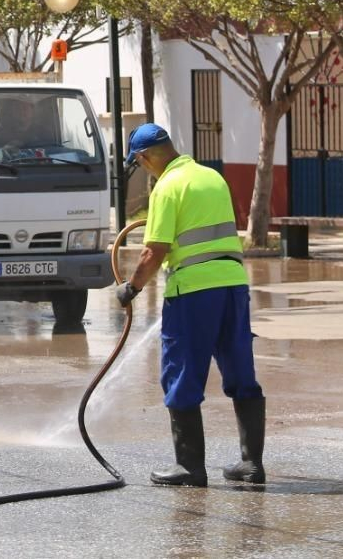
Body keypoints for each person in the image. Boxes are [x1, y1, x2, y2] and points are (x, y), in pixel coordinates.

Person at [115, 123, 266, 488]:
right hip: (233, 286)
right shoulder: (212, 177)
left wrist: (131, 288)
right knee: (241, 372)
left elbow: (155, 251)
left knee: (181, 372)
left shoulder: (167, 187)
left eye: (140, 165)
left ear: (144, 158)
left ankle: (189, 467)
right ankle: (252, 464)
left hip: (193, 293)